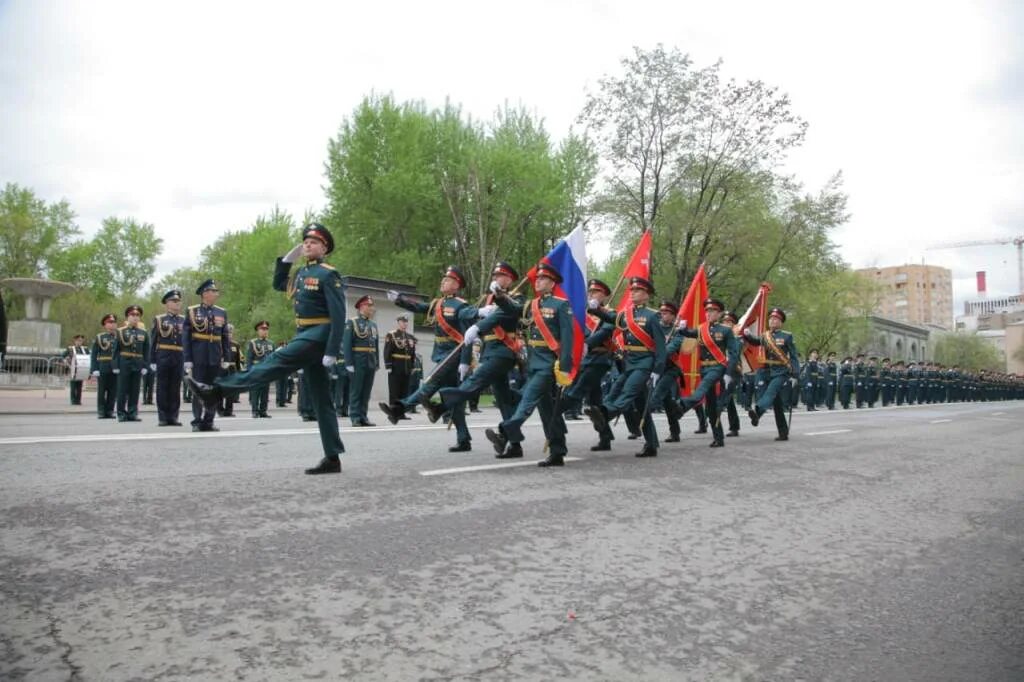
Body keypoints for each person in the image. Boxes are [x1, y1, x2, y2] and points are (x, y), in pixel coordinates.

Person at [187, 223, 347, 474]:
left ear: (324, 248)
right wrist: (285, 261)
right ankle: (333, 457)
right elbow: (277, 284)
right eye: (305, 241)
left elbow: (339, 315)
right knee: (321, 399)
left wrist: (332, 350)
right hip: (304, 332)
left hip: (318, 334)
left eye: (314, 242)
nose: (307, 245)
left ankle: (217, 391)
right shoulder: (301, 275)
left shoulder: (329, 274)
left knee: (274, 362)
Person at [478, 261, 575, 466]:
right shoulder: (531, 305)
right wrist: (499, 295)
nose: (538, 281)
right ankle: (557, 451)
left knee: (527, 401)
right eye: (537, 278)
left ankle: (505, 432)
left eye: (543, 279)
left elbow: (567, 340)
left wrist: (565, 370)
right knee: (548, 409)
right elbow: (512, 309)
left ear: (552, 282)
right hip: (533, 363)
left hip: (550, 365)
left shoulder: (561, 305)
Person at [430, 262, 524, 452]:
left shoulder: (518, 298)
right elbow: (470, 315)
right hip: (490, 350)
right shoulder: (486, 299)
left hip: (504, 351)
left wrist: (479, 325)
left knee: (475, 381)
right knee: (504, 399)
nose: (496, 279)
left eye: (500, 276)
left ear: (509, 280)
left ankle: (442, 406)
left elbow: (499, 317)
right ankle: (514, 443)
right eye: (495, 276)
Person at [379, 266, 476, 448]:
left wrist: (464, 361)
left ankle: (399, 409)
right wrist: (400, 299)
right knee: (451, 398)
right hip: (441, 353)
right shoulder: (438, 304)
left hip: (453, 354)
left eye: (447, 280)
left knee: (430, 383)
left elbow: (468, 338)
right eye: (443, 279)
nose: (442, 282)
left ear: (456, 285)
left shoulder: (462, 306)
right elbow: (419, 307)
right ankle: (463, 439)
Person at [584, 276, 666, 458]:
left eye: (637, 291)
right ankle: (651, 444)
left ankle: (605, 414)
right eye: (632, 290)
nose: (633, 293)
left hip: (644, 364)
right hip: (630, 362)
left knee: (628, 392)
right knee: (623, 393)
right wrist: (595, 309)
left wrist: (657, 370)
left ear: (646, 295)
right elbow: (611, 317)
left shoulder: (653, 316)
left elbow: (661, 347)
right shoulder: (627, 314)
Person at [673, 298, 740, 448]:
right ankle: (718, 438)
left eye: (713, 311)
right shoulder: (701, 329)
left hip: (718, 367)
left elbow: (734, 353)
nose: (709, 313)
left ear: (719, 313)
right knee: (710, 406)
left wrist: (729, 373)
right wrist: (682, 328)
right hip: (704, 368)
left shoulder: (726, 330)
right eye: (707, 311)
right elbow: (689, 333)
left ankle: (683, 405)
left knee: (701, 388)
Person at [563, 279, 617, 451]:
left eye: (595, 292)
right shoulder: (583, 314)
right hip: (583, 358)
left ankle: (554, 413)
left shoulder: (610, 313)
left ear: (603, 295)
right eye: (590, 292)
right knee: (595, 401)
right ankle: (605, 437)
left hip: (600, 358)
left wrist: (588, 344)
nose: (591, 295)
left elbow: (604, 332)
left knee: (577, 390)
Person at [741, 307, 800, 441]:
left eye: (775, 319)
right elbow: (755, 342)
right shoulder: (765, 335)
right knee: (777, 404)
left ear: (781, 322)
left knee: (769, 393)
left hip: (782, 371)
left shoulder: (787, 336)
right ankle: (783, 433)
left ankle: (757, 412)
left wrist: (795, 374)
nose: (772, 321)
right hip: (768, 371)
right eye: (771, 318)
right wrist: (747, 335)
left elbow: (794, 356)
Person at [183, 279, 230, 432]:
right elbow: (186, 337)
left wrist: (227, 357)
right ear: (205, 294)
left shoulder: (221, 312)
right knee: (198, 389)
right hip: (199, 355)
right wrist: (188, 358)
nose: (216, 294)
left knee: (214, 389)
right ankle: (197, 421)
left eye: (216, 291)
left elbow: (225, 337)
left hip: (215, 355)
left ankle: (208, 421)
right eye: (213, 291)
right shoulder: (192, 311)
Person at [149, 289, 185, 426]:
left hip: (179, 356)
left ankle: (173, 416)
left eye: (178, 301)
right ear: (167, 303)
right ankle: (163, 417)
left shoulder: (184, 320)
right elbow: (154, 341)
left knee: (175, 388)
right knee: (162, 387)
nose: (176, 304)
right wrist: (152, 359)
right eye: (173, 301)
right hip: (163, 355)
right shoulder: (160, 319)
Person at [343, 295, 379, 427]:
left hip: (370, 360)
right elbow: (347, 344)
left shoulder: (373, 324)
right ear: (362, 307)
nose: (371, 308)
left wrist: (377, 362)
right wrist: (349, 363)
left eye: (371, 306)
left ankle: (363, 416)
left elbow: (375, 345)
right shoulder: (352, 322)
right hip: (358, 360)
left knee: (366, 391)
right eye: (369, 306)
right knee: (356, 390)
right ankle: (355, 417)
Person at [651, 301, 684, 443]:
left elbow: (672, 348)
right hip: (657, 368)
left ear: (673, 316)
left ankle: (639, 419)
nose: (662, 315)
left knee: (657, 393)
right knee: (667, 403)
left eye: (666, 313)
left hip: (671, 368)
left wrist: (660, 351)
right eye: (661, 313)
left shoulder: (678, 331)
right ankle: (675, 431)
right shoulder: (654, 328)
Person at [113, 305, 150, 422]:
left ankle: (132, 413)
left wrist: (145, 365)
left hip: (137, 362)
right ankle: (121, 413)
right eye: (132, 315)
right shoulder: (120, 331)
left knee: (135, 390)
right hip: (124, 362)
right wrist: (115, 365)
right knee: (122, 390)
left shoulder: (143, 333)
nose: (135, 317)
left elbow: (146, 351)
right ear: (127, 317)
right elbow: (116, 350)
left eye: (137, 315)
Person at [382, 314, 417, 420]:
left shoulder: (410, 337)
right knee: (394, 391)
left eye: (406, 322)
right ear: (398, 322)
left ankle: (401, 413)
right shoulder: (392, 335)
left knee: (404, 391)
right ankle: (392, 412)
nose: (404, 323)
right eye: (402, 321)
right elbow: (387, 351)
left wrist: (412, 366)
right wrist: (388, 365)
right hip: (396, 365)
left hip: (406, 367)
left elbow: (412, 354)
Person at [89, 314, 119, 418]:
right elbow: (94, 354)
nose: (112, 325)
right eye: (109, 323)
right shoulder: (100, 337)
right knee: (102, 391)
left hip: (115, 368)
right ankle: (101, 411)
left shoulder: (120, 336)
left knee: (113, 391)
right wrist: (94, 368)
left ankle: (110, 411)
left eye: (114, 322)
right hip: (103, 366)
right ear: (105, 325)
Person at [246, 321, 275, 418]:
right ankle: (255, 411)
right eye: (262, 329)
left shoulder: (271, 343)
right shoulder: (253, 343)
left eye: (266, 329)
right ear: (258, 331)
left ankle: (263, 411)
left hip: (266, 370)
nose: (265, 331)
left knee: (265, 392)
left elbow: (273, 358)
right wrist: (249, 371)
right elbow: (249, 358)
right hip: (256, 370)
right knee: (255, 392)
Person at [217, 324, 244, 417]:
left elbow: (238, 360)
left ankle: (229, 411)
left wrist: (239, 371)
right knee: (220, 391)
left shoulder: (235, 345)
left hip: (232, 369)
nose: (229, 335)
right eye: (227, 333)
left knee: (231, 392)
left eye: (231, 333)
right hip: (221, 369)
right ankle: (220, 410)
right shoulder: (218, 343)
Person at [62, 334, 87, 405]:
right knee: (73, 386)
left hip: (81, 370)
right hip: (72, 369)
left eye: (81, 341)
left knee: (79, 386)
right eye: (78, 341)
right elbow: (63, 356)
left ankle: (78, 400)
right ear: (75, 341)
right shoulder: (70, 349)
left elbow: (88, 357)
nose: (80, 342)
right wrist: (66, 362)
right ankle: (73, 400)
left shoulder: (84, 349)